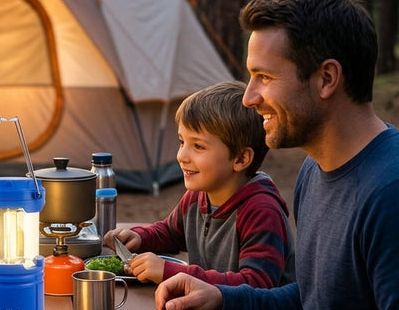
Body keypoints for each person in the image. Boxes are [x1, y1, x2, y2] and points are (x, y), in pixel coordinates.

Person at [156, 0, 399, 310]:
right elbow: (317, 303)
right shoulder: (315, 171)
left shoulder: (390, 190)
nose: (249, 98)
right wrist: (225, 297)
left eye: (264, 77)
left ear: (327, 78)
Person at [104, 80, 295, 287]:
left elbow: (256, 285)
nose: (182, 156)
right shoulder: (198, 197)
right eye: (181, 142)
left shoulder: (262, 212)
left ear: (240, 159)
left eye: (198, 146)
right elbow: (170, 233)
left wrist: (173, 273)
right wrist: (139, 238)